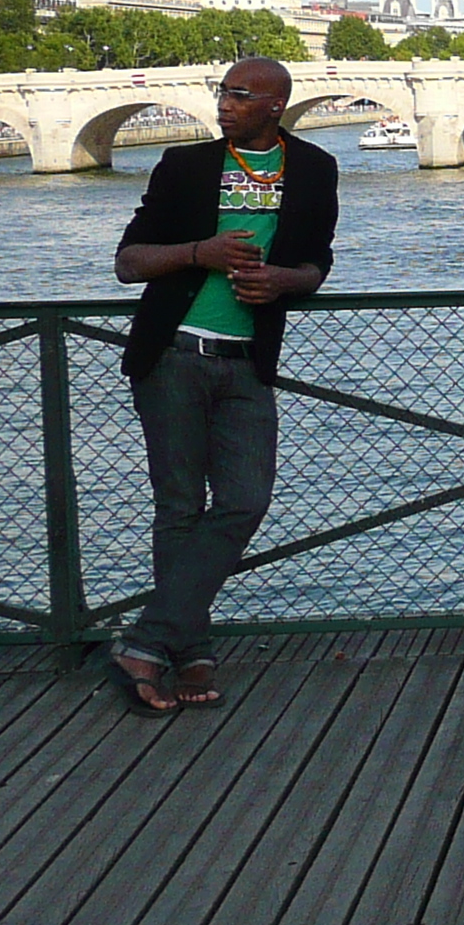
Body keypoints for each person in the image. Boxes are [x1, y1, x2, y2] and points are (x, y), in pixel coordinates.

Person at [106, 56, 337, 714]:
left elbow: (316, 262)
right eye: (223, 93)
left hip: (246, 363)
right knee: (178, 509)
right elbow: (127, 263)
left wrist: (283, 283)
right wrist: (196, 253)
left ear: (275, 106)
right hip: (172, 355)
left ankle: (146, 642)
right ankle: (190, 649)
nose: (224, 104)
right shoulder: (185, 167)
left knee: (244, 499)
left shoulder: (315, 168)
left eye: (240, 95)